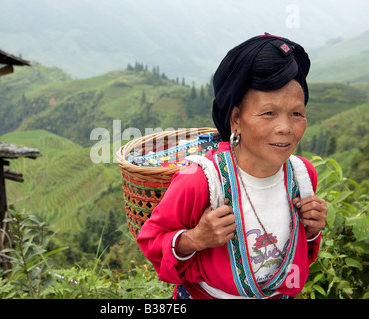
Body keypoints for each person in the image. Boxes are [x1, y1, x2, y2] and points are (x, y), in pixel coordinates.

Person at [137, 33, 328, 299]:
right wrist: (196, 239)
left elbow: (297, 253)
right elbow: (151, 240)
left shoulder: (302, 174)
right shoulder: (200, 179)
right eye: (268, 113)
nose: (285, 128)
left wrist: (311, 231)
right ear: (235, 117)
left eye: (296, 114)